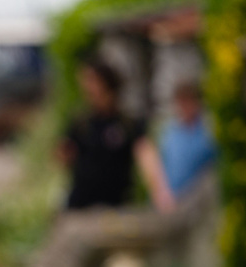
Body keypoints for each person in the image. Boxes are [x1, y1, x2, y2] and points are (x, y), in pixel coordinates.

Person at [58, 57, 176, 213]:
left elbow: (146, 155)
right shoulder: (80, 123)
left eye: (92, 81)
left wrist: (161, 192)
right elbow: (64, 157)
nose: (87, 87)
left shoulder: (127, 124)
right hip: (81, 208)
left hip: (117, 209)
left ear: (107, 84)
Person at [160, 80, 217, 200]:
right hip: (172, 200)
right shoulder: (169, 132)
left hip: (199, 201)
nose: (185, 107)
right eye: (181, 102)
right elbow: (163, 167)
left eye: (189, 101)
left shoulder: (209, 131)